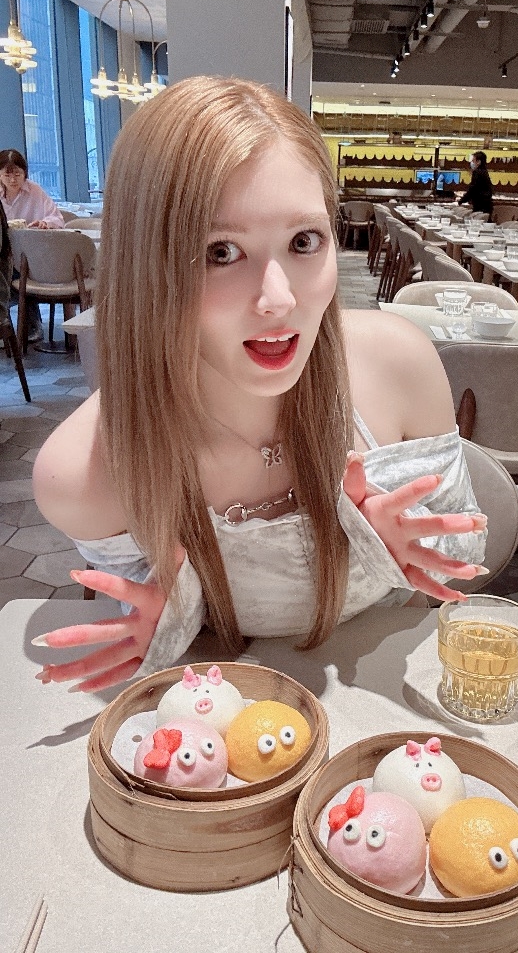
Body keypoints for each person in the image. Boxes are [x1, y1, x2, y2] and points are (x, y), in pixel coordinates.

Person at [31, 76, 488, 694]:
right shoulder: (86, 471)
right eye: (220, 252)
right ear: (145, 264)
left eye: (304, 241)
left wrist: (404, 551)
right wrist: (173, 621)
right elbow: (165, 634)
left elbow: (462, 571)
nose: (280, 299)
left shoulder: (396, 363)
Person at [0, 149, 64, 341]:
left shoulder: (34, 191)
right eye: (7, 175)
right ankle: (5, 326)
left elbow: (57, 218)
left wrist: (45, 223)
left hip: (31, 256)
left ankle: (30, 325)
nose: (13, 180)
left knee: (21, 271)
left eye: (18, 174)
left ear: (25, 173)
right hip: (5, 254)